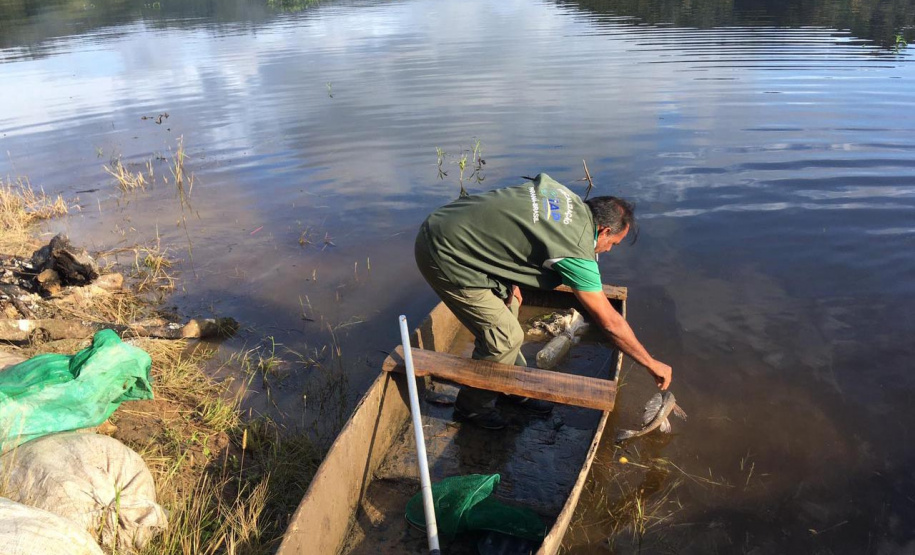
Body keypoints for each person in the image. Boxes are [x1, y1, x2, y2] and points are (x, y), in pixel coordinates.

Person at [414, 173, 673, 429]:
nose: (609, 250)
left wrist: (510, 276)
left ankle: (511, 386)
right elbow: (610, 323)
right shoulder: (575, 250)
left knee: (511, 307)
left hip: (453, 226)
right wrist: (650, 363)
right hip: (443, 250)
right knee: (505, 336)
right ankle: (471, 408)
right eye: (613, 243)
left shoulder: (565, 197)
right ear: (603, 231)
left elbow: (517, 224)